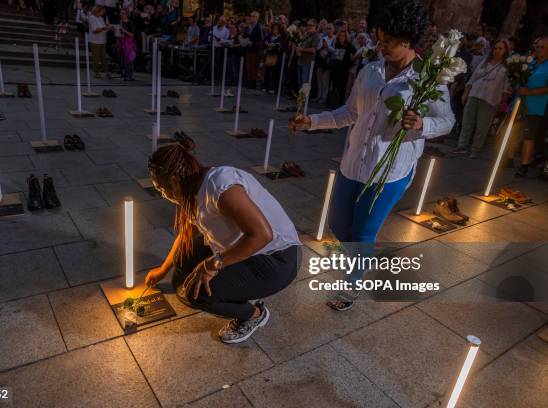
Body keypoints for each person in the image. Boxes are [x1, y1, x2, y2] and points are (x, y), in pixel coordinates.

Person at [290, 0, 454, 311]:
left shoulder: (428, 78)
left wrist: (422, 124)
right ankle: (354, 255)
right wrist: (313, 122)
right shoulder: (370, 71)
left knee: (364, 231)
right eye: (380, 38)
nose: (382, 46)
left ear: (408, 39)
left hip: (388, 172)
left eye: (389, 40)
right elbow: (350, 113)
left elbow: (447, 121)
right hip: (353, 164)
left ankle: (352, 284)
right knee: (339, 225)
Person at [144, 141, 301, 343]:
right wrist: (163, 269)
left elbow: (262, 235)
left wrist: (212, 265)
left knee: (196, 295)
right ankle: (234, 285)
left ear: (174, 180)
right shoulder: (191, 187)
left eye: (161, 188)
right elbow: (186, 235)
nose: (162, 194)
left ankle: (253, 314)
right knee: (183, 266)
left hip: (276, 259)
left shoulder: (219, 186)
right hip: (246, 247)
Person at [452, 40, 511, 158]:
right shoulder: (485, 62)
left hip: (491, 99)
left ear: (505, 51)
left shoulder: (507, 67)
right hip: (475, 94)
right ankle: (462, 146)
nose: (497, 51)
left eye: (500, 49)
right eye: (496, 48)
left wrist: (502, 102)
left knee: (482, 126)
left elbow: (507, 88)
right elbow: (473, 78)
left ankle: (476, 149)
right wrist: (466, 93)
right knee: (467, 121)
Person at [513, 36, 548, 177]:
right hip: (520, 103)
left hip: (536, 107)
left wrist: (530, 92)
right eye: (537, 46)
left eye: (542, 47)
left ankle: (524, 165)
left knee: (529, 136)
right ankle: (508, 158)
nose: (538, 49)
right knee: (514, 132)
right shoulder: (530, 62)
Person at [329, 29, 356, 107]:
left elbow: (353, 57)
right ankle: (333, 102)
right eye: (340, 36)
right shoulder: (336, 44)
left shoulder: (349, 46)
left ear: (346, 37)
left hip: (344, 70)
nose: (342, 37)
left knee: (342, 87)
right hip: (335, 69)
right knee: (334, 86)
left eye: (343, 36)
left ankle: (340, 103)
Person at [88, 5, 112, 79]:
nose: (103, 13)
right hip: (95, 41)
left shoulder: (101, 18)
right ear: (97, 11)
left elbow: (103, 29)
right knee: (96, 58)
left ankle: (106, 72)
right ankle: (96, 72)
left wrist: (109, 28)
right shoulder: (92, 18)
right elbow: (94, 30)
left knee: (103, 57)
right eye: (102, 12)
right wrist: (104, 28)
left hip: (103, 40)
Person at [295, 19, 320, 86]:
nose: (308, 26)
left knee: (305, 83)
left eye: (310, 25)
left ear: (315, 26)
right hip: (300, 61)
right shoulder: (306, 35)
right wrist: (298, 49)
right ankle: (300, 96)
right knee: (300, 82)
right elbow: (301, 45)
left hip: (308, 62)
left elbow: (313, 50)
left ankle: (304, 96)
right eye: (307, 25)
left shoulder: (316, 36)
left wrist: (302, 49)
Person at [315, 23, 336, 103]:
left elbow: (335, 50)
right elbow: (318, 48)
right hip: (320, 61)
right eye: (327, 29)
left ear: (333, 30)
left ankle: (324, 97)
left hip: (328, 62)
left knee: (325, 80)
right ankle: (319, 95)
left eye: (330, 28)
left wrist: (327, 47)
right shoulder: (323, 38)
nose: (329, 30)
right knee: (319, 79)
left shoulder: (335, 38)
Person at [263, 22, 284, 93]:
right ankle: (266, 86)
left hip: (276, 57)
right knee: (267, 72)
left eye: (276, 29)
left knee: (274, 73)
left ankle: (273, 88)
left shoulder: (280, 37)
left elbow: (279, 46)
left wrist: (273, 45)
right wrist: (267, 44)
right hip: (268, 56)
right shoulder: (269, 36)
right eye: (274, 29)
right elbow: (264, 42)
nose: (275, 30)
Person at [117, 8, 136, 81]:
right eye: (121, 13)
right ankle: (125, 73)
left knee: (129, 59)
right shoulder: (120, 22)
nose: (121, 15)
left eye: (123, 13)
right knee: (123, 59)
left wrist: (124, 31)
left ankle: (129, 75)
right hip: (121, 41)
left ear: (127, 14)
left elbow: (132, 34)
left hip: (128, 43)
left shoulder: (130, 23)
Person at [246, 11, 264, 89]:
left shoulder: (259, 27)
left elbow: (261, 40)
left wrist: (253, 43)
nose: (251, 18)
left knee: (254, 67)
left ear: (257, 18)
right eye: (251, 16)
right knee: (248, 66)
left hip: (255, 50)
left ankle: (253, 84)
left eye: (253, 16)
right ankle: (249, 82)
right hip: (248, 49)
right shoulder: (249, 26)